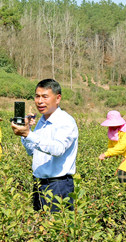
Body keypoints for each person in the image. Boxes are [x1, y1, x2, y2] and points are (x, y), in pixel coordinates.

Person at [12, 79, 78, 212]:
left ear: (58, 98)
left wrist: (29, 135)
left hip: (58, 185)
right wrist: (26, 133)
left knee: (57, 228)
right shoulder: (42, 121)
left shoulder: (65, 121)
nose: (40, 101)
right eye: (37, 96)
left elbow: (58, 149)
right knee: (40, 227)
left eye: (45, 97)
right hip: (39, 183)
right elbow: (32, 151)